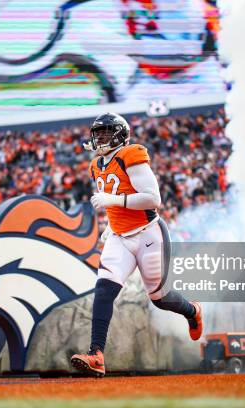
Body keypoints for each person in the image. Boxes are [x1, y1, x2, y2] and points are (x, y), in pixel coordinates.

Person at [70, 113, 203, 377]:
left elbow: (153, 199)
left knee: (160, 298)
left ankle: (192, 311)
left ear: (120, 135)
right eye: (99, 133)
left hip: (147, 234)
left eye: (106, 133)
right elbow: (114, 202)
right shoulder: (96, 164)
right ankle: (96, 354)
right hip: (120, 236)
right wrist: (110, 225)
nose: (100, 139)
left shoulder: (131, 155)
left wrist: (114, 201)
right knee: (104, 289)